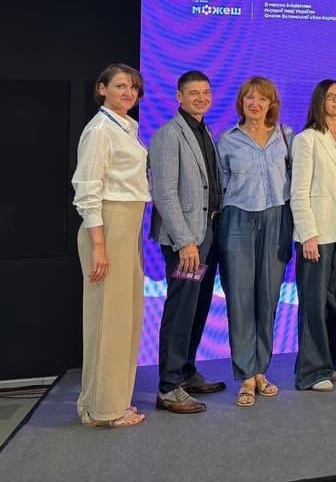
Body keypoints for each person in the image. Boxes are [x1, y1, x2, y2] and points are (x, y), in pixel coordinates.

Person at [71, 64, 149, 428]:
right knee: (108, 319)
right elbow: (87, 190)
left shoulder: (126, 127)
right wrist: (99, 246)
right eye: (120, 86)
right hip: (109, 225)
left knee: (123, 318)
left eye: (133, 87)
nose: (128, 93)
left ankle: (104, 402)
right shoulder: (100, 129)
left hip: (128, 224)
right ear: (102, 89)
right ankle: (104, 410)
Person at [149, 70, 226, 415]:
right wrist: (185, 242)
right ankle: (168, 387)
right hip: (187, 242)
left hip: (207, 235)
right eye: (193, 93)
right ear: (179, 97)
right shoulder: (169, 135)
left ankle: (187, 372)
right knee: (181, 309)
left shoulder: (204, 131)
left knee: (198, 306)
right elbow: (164, 194)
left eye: (205, 92)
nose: (201, 98)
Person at [217, 76, 293, 407]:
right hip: (237, 220)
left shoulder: (286, 136)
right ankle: (246, 375)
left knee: (268, 298)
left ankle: (261, 370)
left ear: (271, 104)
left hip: (277, 218)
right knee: (240, 299)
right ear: (241, 103)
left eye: (262, 98)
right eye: (249, 97)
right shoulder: (227, 140)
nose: (255, 103)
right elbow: (220, 185)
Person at [290, 80, 336, 392]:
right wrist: (308, 234)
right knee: (313, 302)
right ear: (319, 101)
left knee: (333, 301)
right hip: (317, 232)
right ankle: (311, 372)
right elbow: (299, 191)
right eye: (331, 96)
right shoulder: (307, 139)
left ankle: (328, 363)